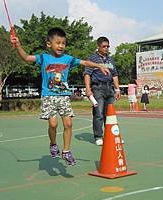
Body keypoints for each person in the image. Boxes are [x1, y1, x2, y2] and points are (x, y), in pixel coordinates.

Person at [12, 27, 110, 166]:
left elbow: (84, 62)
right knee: (53, 124)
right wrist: (18, 45)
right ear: (48, 44)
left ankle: (66, 151)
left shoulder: (68, 59)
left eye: (63, 43)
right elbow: (26, 57)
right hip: (48, 96)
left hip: (64, 96)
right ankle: (53, 144)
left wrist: (99, 66)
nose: (61, 46)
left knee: (68, 123)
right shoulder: (43, 57)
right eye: (58, 43)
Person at [84, 37, 121, 146]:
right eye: (104, 46)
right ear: (98, 46)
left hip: (109, 88)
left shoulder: (110, 59)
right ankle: (98, 136)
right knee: (99, 113)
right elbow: (87, 74)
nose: (106, 48)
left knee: (109, 114)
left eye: (108, 46)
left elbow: (114, 75)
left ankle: (111, 136)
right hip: (98, 88)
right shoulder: (92, 58)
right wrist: (88, 89)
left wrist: (117, 89)